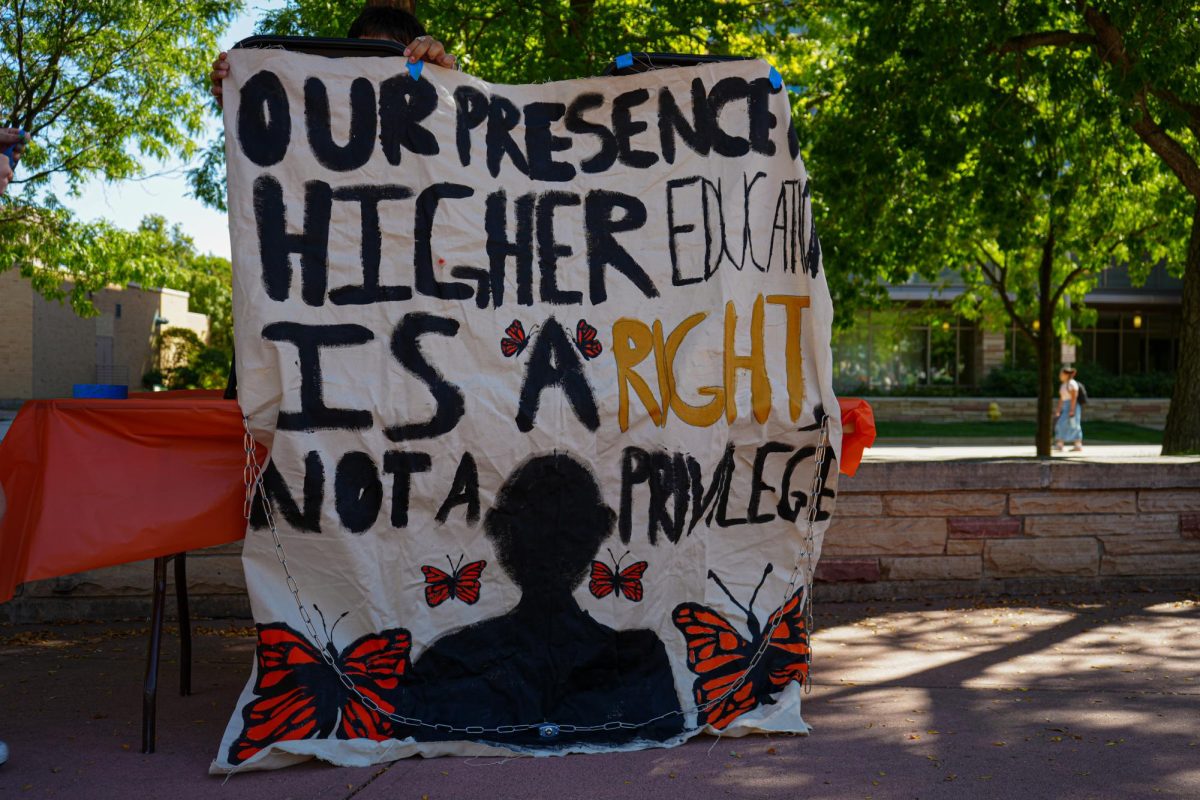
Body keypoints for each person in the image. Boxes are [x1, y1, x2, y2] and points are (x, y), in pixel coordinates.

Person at [400, 453, 684, 748]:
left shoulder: (452, 658)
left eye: (568, 528)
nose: (551, 542)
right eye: (534, 524)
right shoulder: (451, 658)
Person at [209, 3, 457, 108]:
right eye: (365, 61)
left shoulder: (433, 120)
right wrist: (242, 98)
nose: (375, 74)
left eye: (388, 63)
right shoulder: (323, 117)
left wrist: (442, 81)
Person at [1054, 366, 1083, 452]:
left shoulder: (1072, 384)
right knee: (1061, 424)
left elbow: (1074, 397)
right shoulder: (1063, 385)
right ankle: (1060, 443)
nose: (1060, 376)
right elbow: (1061, 399)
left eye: (1061, 374)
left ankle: (1077, 445)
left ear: (1066, 374)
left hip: (1072, 406)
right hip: (1066, 406)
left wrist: (1072, 410)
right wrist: (1058, 410)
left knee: (1074, 425)